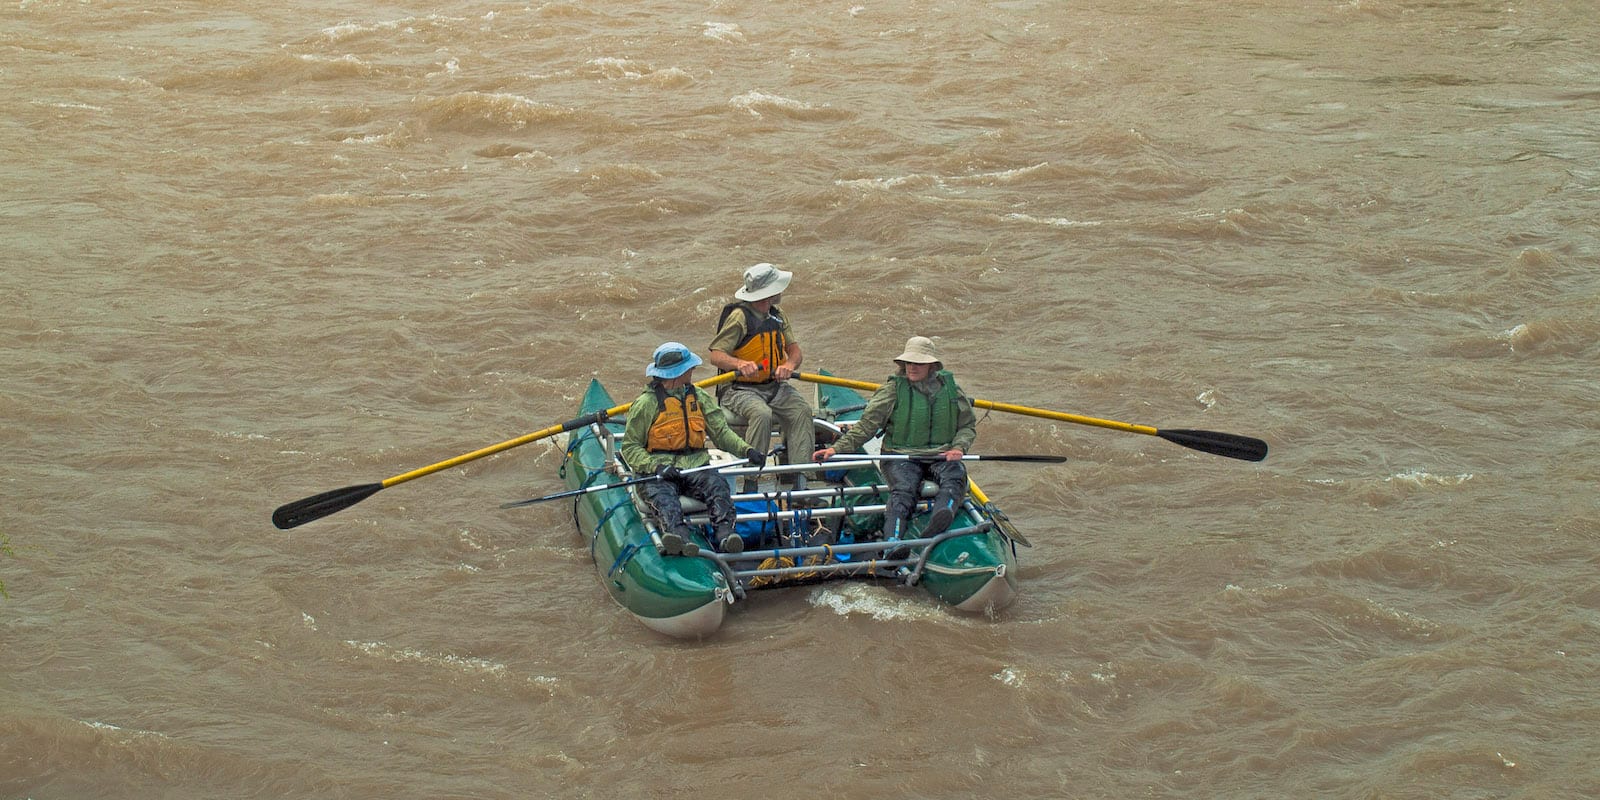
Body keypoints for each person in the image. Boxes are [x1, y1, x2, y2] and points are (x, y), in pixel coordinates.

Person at [812, 336, 977, 541]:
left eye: (918, 363)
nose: (912, 368)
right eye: (909, 363)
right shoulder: (891, 391)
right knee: (904, 490)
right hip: (900, 456)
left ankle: (941, 516)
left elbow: (967, 426)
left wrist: (959, 447)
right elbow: (866, 426)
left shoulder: (952, 390)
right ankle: (893, 541)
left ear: (931, 366)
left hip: (941, 454)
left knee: (955, 478)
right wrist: (836, 449)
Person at [621, 342, 766, 555]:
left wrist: (747, 451)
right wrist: (656, 467)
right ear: (676, 373)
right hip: (660, 472)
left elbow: (721, 433)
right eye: (689, 368)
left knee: (718, 487)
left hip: (695, 466)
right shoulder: (645, 404)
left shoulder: (699, 397)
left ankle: (726, 535)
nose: (693, 370)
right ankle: (679, 538)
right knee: (664, 499)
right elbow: (630, 447)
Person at [706, 263, 815, 487]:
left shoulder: (778, 315)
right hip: (739, 389)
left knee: (802, 411)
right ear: (767, 293)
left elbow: (794, 351)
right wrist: (739, 363)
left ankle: (801, 481)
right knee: (762, 414)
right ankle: (751, 481)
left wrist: (789, 365)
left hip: (774, 386)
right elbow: (716, 355)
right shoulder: (739, 318)